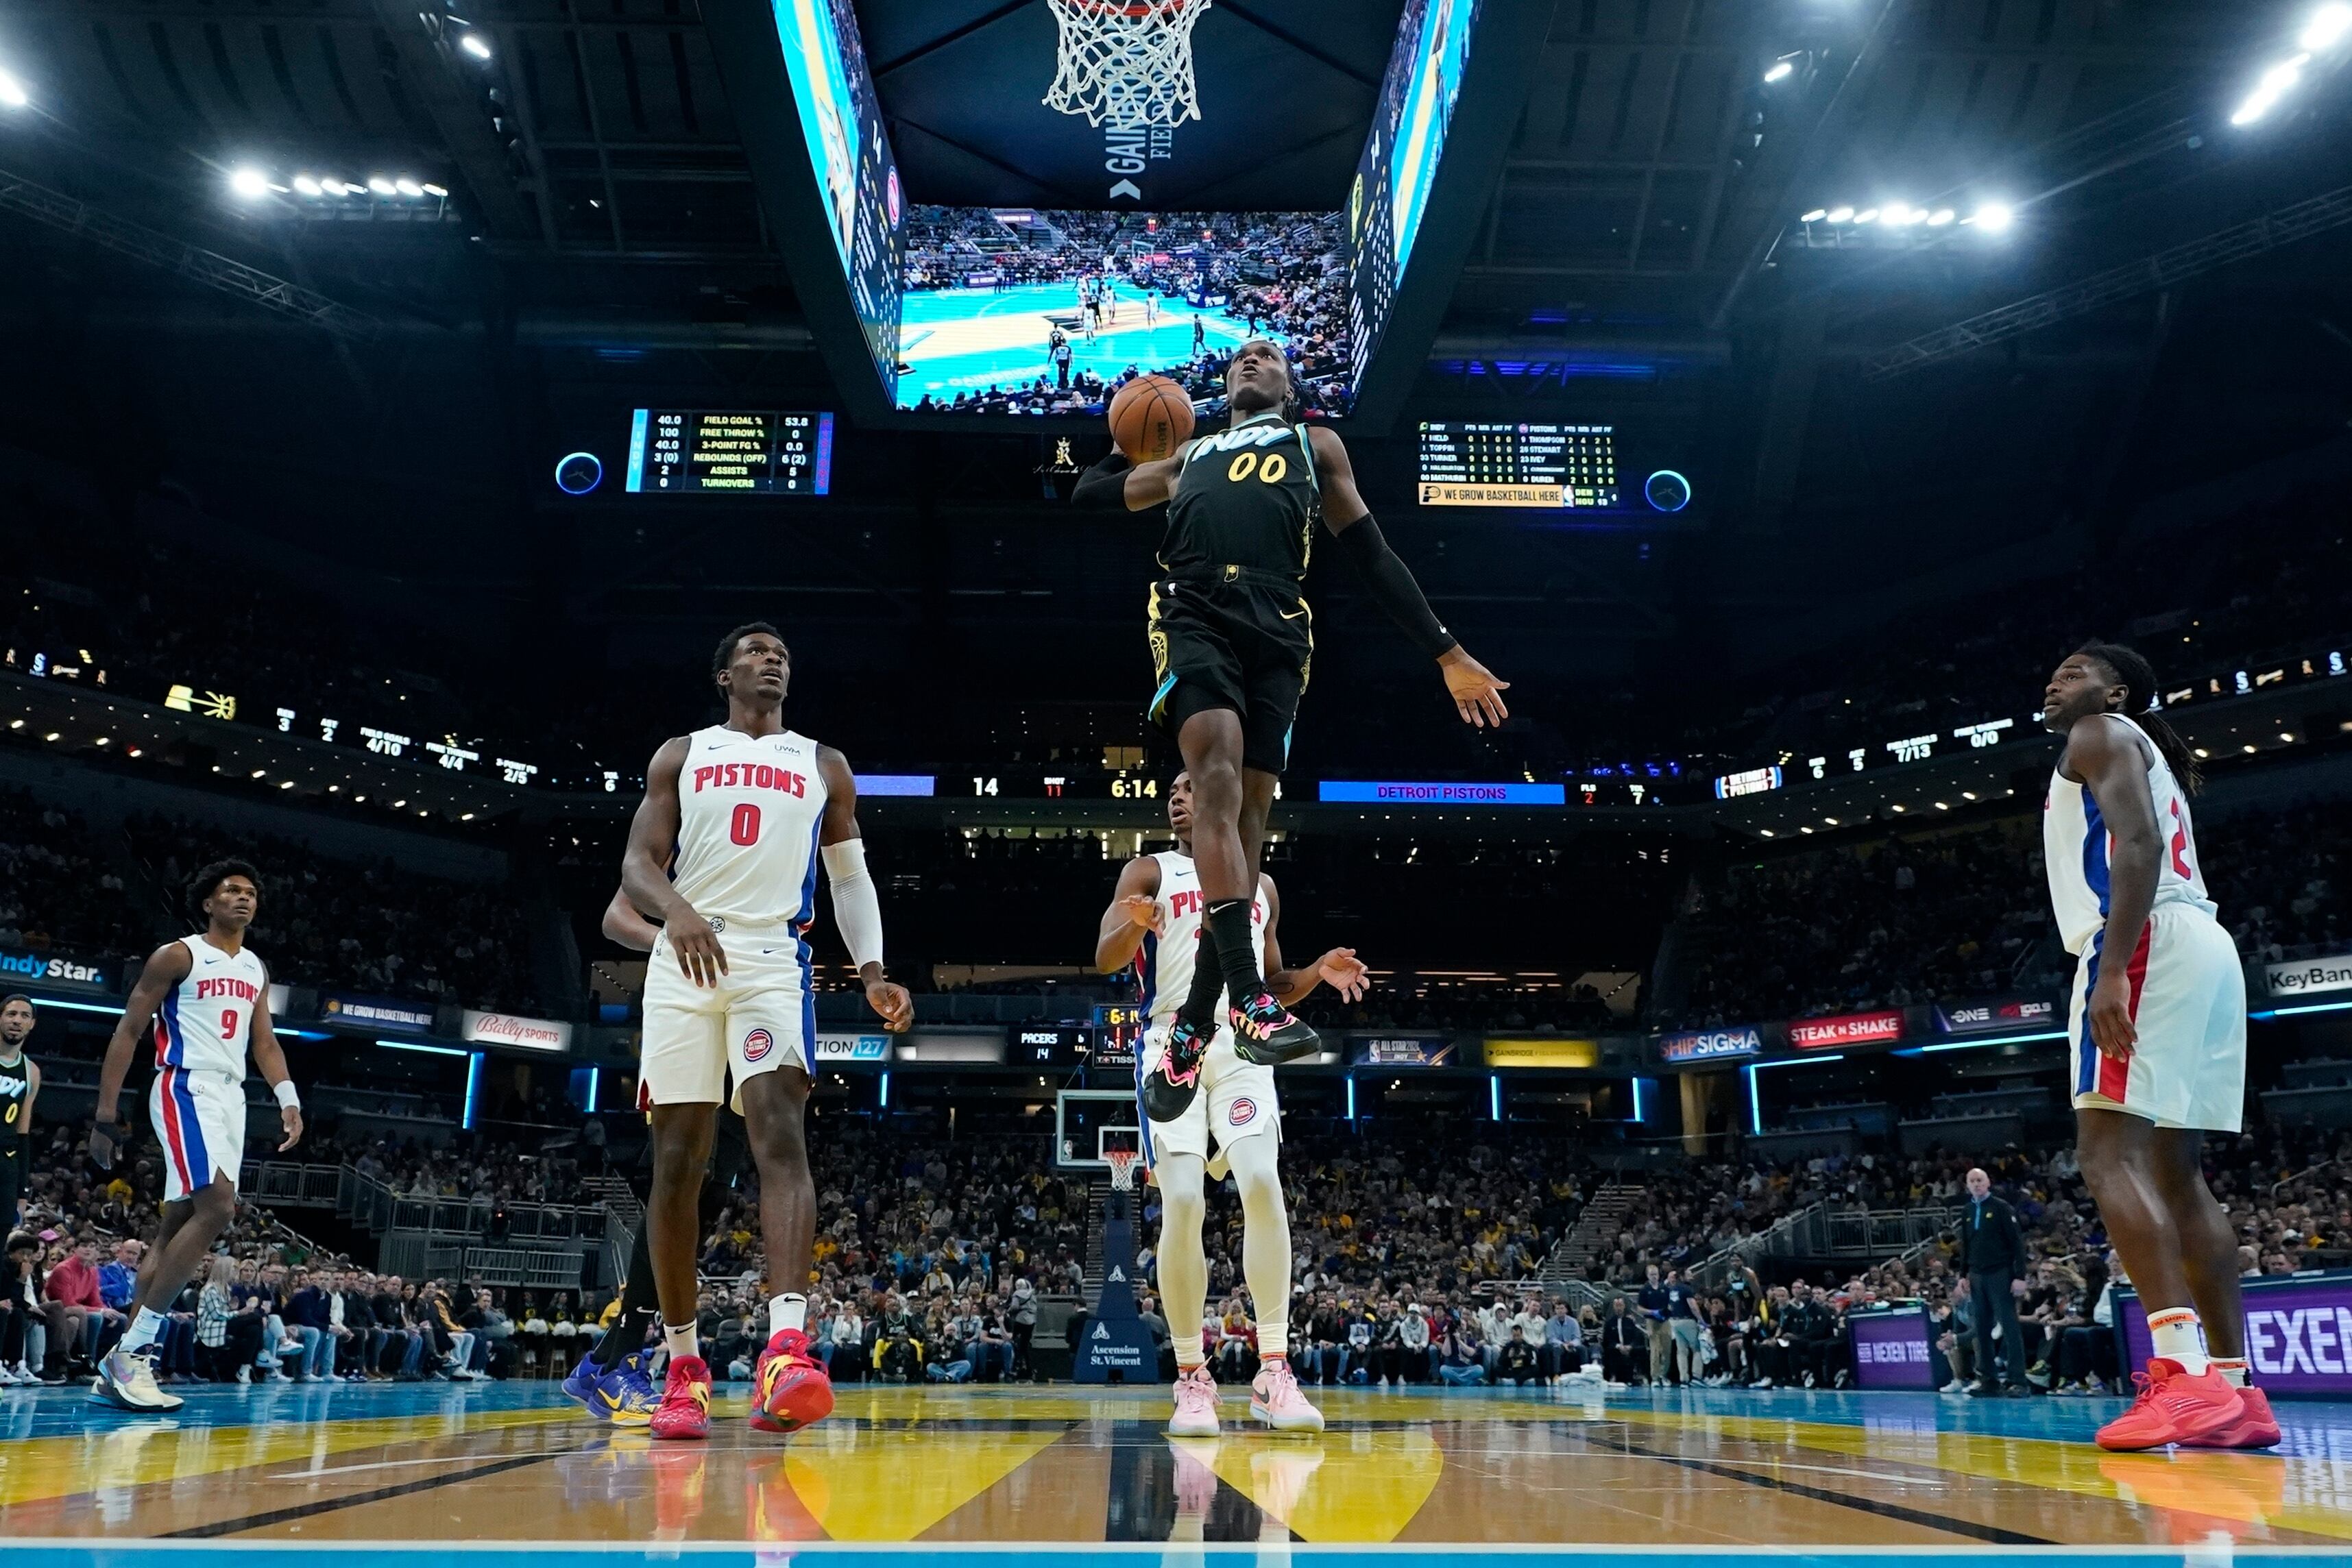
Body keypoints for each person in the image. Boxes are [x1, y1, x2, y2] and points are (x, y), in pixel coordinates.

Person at [1074, 336, 1507, 1099]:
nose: (1251, 357)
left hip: (1278, 616)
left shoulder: (1315, 445)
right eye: (1240, 355)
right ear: (1220, 387)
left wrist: (1446, 652)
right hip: (1193, 605)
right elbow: (1087, 498)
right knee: (1214, 779)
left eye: (1267, 353)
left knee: (1249, 821)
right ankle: (1248, 999)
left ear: (1289, 386)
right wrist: (1120, 439)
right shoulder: (1187, 456)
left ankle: (1194, 1024)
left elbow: (1373, 555)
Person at [619, 624, 913, 1440]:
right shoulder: (682, 752)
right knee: (678, 1162)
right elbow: (638, 865)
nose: (771, 657)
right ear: (724, 674)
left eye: (780, 651)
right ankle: (683, 1367)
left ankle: (785, 1348)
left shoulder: (823, 762)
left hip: (770, 958)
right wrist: (676, 911)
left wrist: (872, 971)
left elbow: (848, 878)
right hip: (685, 958)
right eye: (753, 650)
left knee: (780, 1136)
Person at [2040, 644, 2276, 1452]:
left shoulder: (2098, 732)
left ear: (2114, 692)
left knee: (2104, 1153)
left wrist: (2110, 970)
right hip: (2203, 942)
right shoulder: (2136, 745)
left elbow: (2135, 844)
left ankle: (2180, 1376)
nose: (2056, 680)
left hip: (2141, 939)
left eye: (2074, 671)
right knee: (2177, 1174)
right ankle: (2236, 1391)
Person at [1095, 770, 1368, 1436]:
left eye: (1190, 786)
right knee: (1184, 1201)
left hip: (1242, 1045)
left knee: (1263, 1184)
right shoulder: (1149, 869)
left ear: (1225, 796)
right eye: (1173, 788)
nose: (1177, 795)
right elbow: (1105, 958)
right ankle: (1192, 1377)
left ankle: (1273, 1370)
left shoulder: (1260, 884)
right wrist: (1135, 927)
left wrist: (1315, 972)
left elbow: (1271, 983)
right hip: (1171, 1041)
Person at [87, 858, 303, 1412]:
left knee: (175, 1227)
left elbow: (265, 1043)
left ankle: (121, 1366)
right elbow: (129, 1030)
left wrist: (288, 1099)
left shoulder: (254, 967)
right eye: (231, 890)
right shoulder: (178, 955)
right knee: (219, 1208)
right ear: (208, 903)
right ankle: (131, 1355)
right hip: (185, 1085)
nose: (243, 898)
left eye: (250, 892)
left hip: (231, 1096)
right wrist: (105, 1116)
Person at [1956, 1168, 2030, 1397]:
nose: (1976, 1184)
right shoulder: (1967, 1210)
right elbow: (1965, 1244)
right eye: (1972, 1181)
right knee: (1981, 1328)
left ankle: (2018, 1381)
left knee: (2009, 1326)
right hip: (1976, 1275)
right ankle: (1988, 1380)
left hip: (2001, 1273)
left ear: (1988, 1183)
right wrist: (1963, 1275)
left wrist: (2020, 1276)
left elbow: (2017, 1243)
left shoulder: (2001, 1207)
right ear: (1967, 1185)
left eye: (1980, 1180)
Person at [0, 996, 40, 1227]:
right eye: (11, 1014)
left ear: (32, 1024)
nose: (17, 1020)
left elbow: (23, 1132)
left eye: (24, 1016)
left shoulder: (31, 1071)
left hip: (5, 1163)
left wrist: (22, 1192)